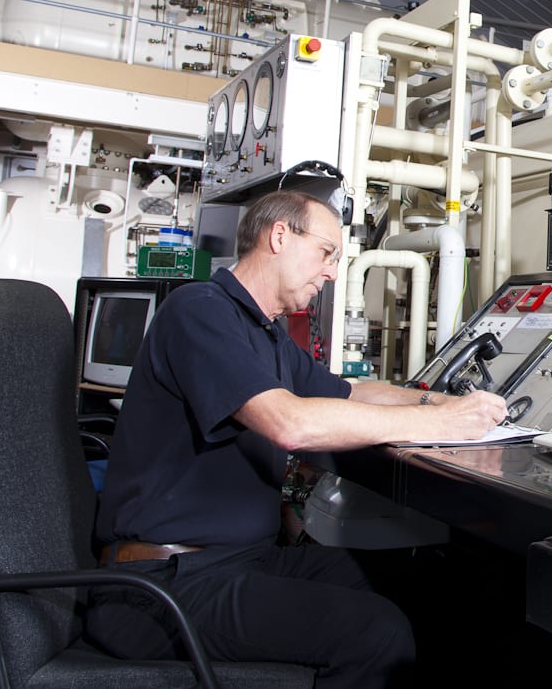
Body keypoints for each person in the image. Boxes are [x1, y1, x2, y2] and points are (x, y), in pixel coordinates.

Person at [86, 190, 507, 686]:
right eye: (327, 252)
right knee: (376, 632)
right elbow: (291, 423)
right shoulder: (198, 309)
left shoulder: (263, 333)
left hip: (245, 561)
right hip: (160, 587)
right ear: (280, 236)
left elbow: (351, 392)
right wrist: (442, 426)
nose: (331, 273)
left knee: (434, 589)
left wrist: (441, 402)